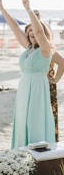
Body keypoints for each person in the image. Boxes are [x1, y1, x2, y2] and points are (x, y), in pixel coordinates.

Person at [0, 0, 56, 149]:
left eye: (34, 32)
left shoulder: (45, 50)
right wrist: (2, 9)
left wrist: (28, 9)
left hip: (37, 89)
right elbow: (14, 26)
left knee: (34, 120)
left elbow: (40, 32)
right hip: (24, 88)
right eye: (29, 33)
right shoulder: (28, 48)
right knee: (22, 120)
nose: (32, 35)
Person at [33, 10, 64, 141]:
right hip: (34, 87)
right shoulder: (32, 48)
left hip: (47, 87)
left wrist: (56, 79)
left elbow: (62, 62)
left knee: (49, 118)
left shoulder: (49, 49)